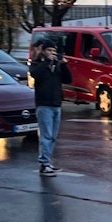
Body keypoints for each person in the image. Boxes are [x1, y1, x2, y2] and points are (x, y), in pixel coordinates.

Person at [30, 39, 71, 176]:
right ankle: (44, 163)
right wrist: (47, 62)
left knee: (53, 136)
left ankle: (48, 162)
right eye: (49, 50)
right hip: (44, 104)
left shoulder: (57, 65)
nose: (52, 53)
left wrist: (64, 65)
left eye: (54, 51)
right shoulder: (37, 63)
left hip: (56, 104)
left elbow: (68, 79)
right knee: (46, 135)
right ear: (43, 51)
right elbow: (36, 75)